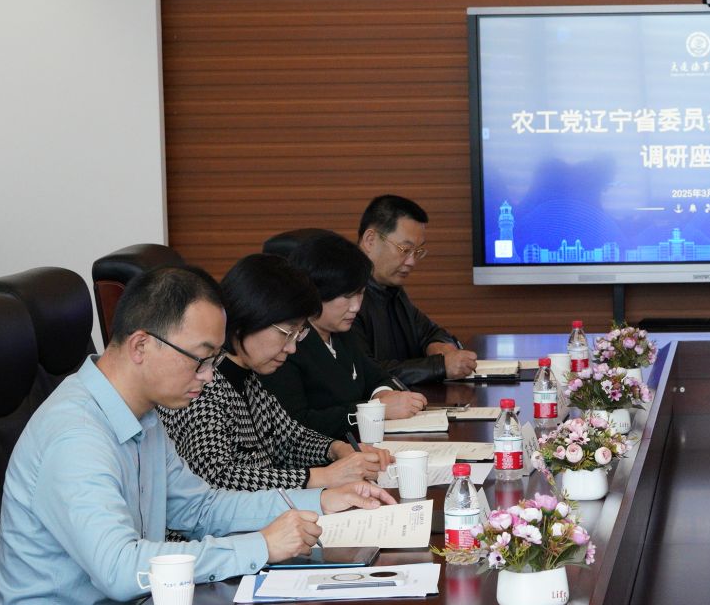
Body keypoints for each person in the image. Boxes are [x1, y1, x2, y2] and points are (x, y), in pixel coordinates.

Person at [0, 265, 392, 605]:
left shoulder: (143, 415)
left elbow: (200, 508)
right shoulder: (77, 436)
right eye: (200, 359)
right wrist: (261, 546)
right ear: (140, 345)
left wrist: (321, 501)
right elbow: (119, 569)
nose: (208, 375)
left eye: (214, 359)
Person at [160, 254, 388, 492]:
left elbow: (290, 439)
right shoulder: (201, 383)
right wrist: (321, 477)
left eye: (298, 334)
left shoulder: (248, 377)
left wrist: (337, 450)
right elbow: (216, 478)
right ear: (248, 318)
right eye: (286, 333)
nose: (292, 348)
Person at [265, 231, 429, 442]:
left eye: (360, 293)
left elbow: (379, 376)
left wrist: (382, 393)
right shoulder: (287, 344)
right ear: (315, 292)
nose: (356, 307)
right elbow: (296, 423)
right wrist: (374, 409)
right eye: (347, 296)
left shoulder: (342, 334)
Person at [356, 194, 477, 384]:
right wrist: (440, 366)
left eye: (418, 252)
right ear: (370, 240)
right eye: (405, 250)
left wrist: (439, 347)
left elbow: (430, 332)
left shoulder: (393, 292)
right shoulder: (343, 297)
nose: (412, 262)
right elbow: (363, 372)